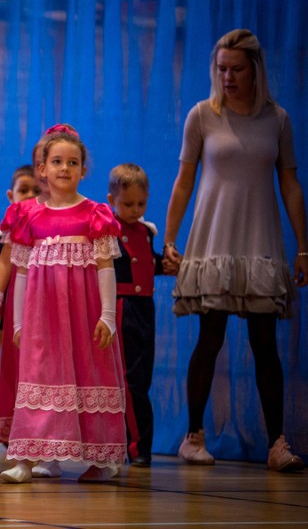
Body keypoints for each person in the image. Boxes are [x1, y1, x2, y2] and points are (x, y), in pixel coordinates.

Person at [163, 29, 307, 472]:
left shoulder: (277, 120)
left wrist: (303, 247)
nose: (227, 76)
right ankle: (193, 435)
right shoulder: (202, 116)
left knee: (265, 343)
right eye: (221, 68)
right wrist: (169, 240)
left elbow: (289, 184)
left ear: (256, 70)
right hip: (213, 240)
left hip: (259, 242)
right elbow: (184, 181)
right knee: (210, 338)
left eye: (236, 69)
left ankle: (277, 444)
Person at [0, 125, 126, 484]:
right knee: (38, 377)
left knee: (90, 374)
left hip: (83, 315)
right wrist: (19, 321)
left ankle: (101, 460)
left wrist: (107, 315)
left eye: (73, 162)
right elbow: (21, 271)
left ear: (84, 170)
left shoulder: (95, 214)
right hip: (42, 317)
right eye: (57, 161)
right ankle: (26, 458)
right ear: (42, 169)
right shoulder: (28, 216)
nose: (65, 168)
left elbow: (105, 267)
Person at [107, 163, 176, 467]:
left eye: (141, 204)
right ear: (112, 200)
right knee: (128, 378)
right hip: (121, 308)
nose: (135, 210)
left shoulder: (146, 233)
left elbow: (147, 264)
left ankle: (139, 445)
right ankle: (136, 447)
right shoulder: (107, 230)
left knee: (142, 377)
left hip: (145, 309)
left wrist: (167, 265)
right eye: (128, 204)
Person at [0, 165, 39, 447]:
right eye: (23, 190)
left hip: (42, 308)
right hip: (15, 313)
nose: (30, 195)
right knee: (16, 370)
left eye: (36, 190)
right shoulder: (2, 233)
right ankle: (11, 421)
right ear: (11, 195)